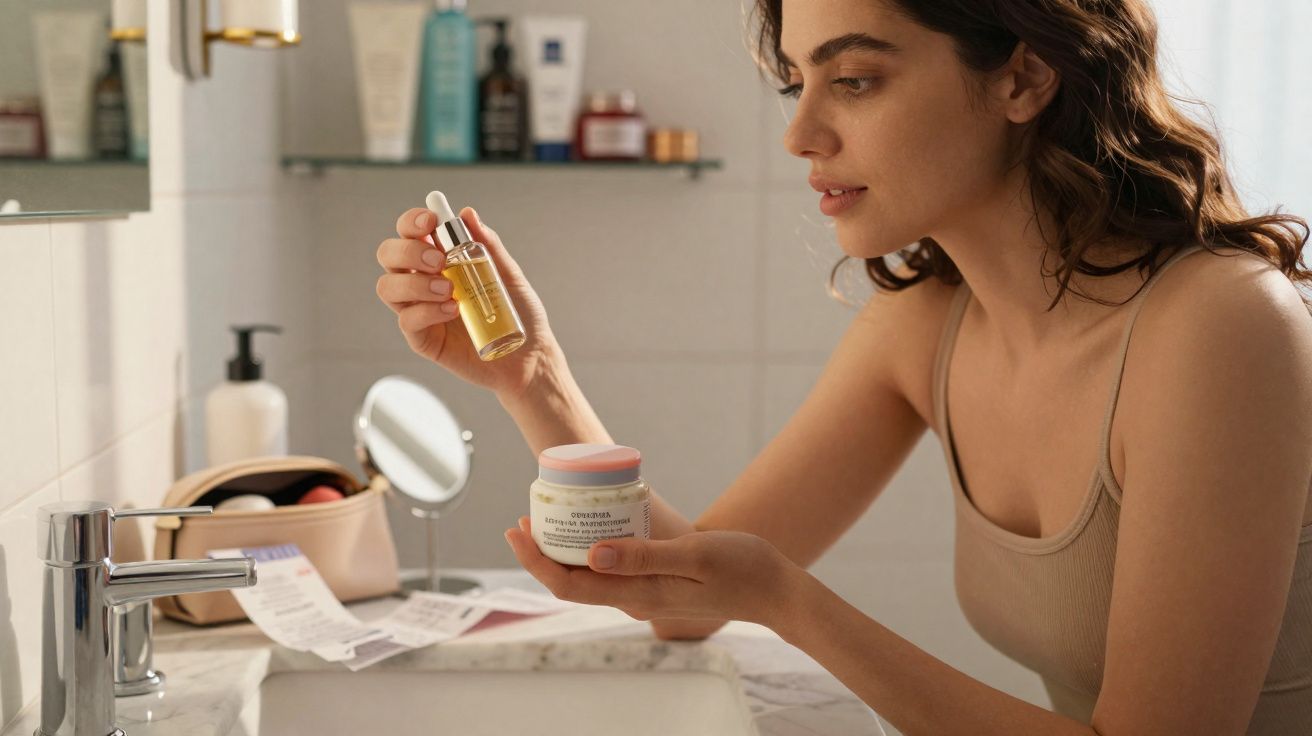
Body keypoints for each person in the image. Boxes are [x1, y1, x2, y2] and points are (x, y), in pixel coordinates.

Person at [375, 1, 1312, 732]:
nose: (801, 134)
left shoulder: (1221, 327)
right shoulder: (929, 322)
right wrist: (532, 375)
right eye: (798, 83)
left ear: (1023, 78)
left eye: (855, 80)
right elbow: (685, 601)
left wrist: (789, 602)